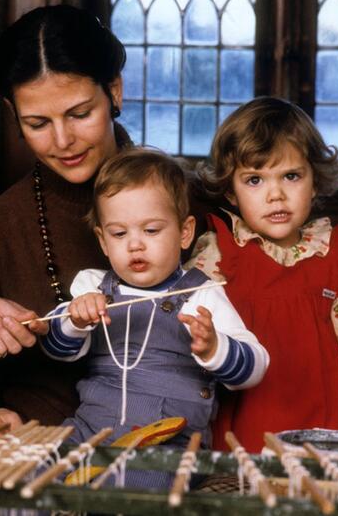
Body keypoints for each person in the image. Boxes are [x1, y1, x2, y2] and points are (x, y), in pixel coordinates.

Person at [0, 5, 214, 430]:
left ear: (114, 91)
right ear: (12, 114)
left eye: (79, 114)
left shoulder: (190, 201)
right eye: (38, 123)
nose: (63, 141)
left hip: (174, 456)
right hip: (43, 461)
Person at [187, 96, 338, 452]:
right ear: (230, 189)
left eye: (291, 176)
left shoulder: (336, 257)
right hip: (237, 434)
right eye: (255, 180)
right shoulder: (216, 256)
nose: (275, 194)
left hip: (323, 435)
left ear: (315, 181)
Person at [39, 149, 269, 451]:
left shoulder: (202, 295)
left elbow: (256, 367)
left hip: (169, 440)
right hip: (91, 428)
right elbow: (55, 348)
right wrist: (74, 319)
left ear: (184, 233)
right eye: (119, 234)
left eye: (151, 230)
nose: (135, 244)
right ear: (102, 241)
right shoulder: (93, 286)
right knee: (33, 468)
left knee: (138, 487)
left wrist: (215, 347)